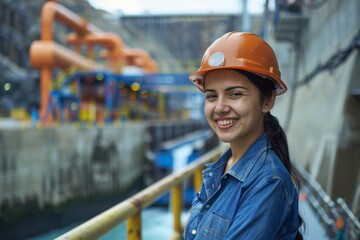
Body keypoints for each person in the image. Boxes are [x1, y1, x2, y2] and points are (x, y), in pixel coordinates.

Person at [184, 32, 303, 239]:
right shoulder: (220, 169)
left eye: (235, 94)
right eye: (211, 96)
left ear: (267, 100)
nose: (220, 107)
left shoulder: (268, 182)